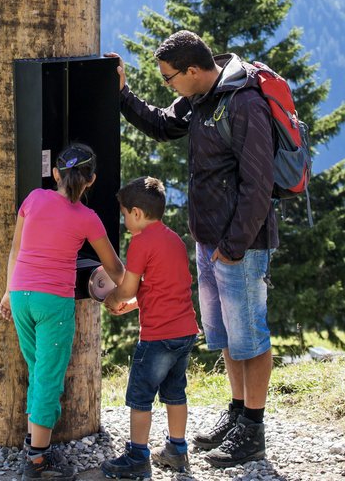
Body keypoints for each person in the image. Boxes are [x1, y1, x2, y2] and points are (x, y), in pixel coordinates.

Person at [105, 30, 278, 468]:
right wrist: (123, 94)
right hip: (210, 241)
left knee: (250, 336)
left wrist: (234, 246)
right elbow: (163, 124)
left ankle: (252, 430)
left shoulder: (244, 103)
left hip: (240, 244)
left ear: (194, 70)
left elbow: (259, 185)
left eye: (169, 79)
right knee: (224, 334)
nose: (169, 87)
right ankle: (237, 412)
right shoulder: (202, 98)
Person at [0, 143, 124, 481]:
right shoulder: (88, 218)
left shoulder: (33, 199)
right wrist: (125, 294)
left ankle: (36, 443)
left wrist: (9, 292)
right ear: (91, 180)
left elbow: (16, 249)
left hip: (21, 295)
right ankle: (37, 462)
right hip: (52, 302)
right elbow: (114, 267)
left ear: (55, 174)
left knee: (40, 371)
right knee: (48, 378)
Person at [100, 176, 199, 479]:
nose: (125, 220)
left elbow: (129, 288)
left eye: (125, 214)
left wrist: (113, 298)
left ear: (137, 214)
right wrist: (132, 305)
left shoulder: (141, 243)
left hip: (157, 338)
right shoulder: (175, 240)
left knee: (141, 396)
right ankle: (177, 451)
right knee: (175, 392)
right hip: (185, 332)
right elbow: (164, 289)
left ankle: (137, 457)